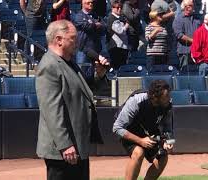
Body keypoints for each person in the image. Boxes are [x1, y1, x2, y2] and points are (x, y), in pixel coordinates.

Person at [36, 20, 103, 180]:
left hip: (77, 143)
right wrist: (65, 144)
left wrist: (99, 74)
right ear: (58, 39)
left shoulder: (69, 62)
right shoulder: (50, 66)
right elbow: (52, 111)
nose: (77, 41)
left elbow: (82, 91)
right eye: (73, 38)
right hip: (63, 150)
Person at [113, 79, 174, 180]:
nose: (169, 98)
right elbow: (117, 128)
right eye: (166, 96)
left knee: (163, 156)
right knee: (138, 152)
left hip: (150, 132)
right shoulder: (137, 101)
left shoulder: (167, 105)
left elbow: (168, 127)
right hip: (129, 131)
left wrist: (169, 141)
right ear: (155, 97)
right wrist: (140, 141)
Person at [73, 0, 106, 88]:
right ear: (83, 3)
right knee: (82, 73)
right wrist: (95, 25)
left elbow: (103, 27)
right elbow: (85, 26)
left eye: (92, 2)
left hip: (94, 49)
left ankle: (91, 94)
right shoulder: (79, 15)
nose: (91, 4)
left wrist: (95, 24)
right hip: (82, 49)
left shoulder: (95, 15)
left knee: (90, 74)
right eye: (88, 2)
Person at [172, 0, 200, 71]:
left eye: (192, 5)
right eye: (191, 6)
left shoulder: (197, 19)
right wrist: (194, 41)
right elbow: (179, 35)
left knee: (196, 73)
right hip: (185, 51)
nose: (193, 7)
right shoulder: (178, 19)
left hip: (197, 51)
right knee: (185, 72)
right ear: (186, 7)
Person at [106, 0, 130, 70]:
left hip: (123, 47)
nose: (119, 9)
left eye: (120, 7)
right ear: (112, 8)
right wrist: (127, 25)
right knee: (117, 68)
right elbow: (120, 31)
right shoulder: (112, 18)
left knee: (123, 68)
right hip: (116, 48)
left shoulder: (120, 18)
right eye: (117, 8)